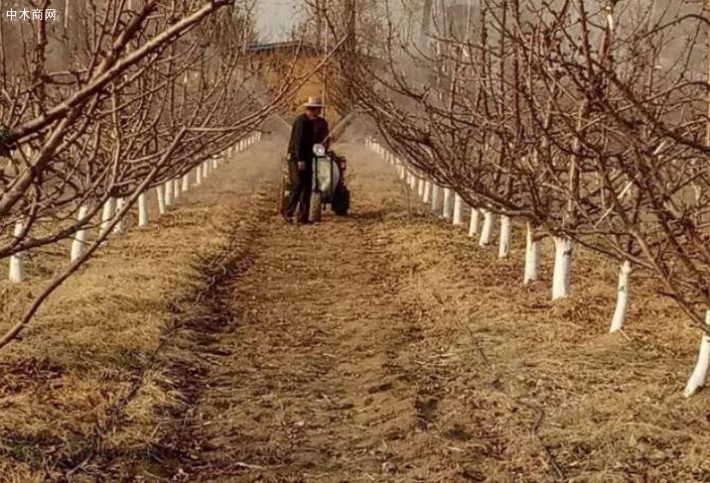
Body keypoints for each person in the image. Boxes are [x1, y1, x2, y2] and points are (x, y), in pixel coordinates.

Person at [282, 96, 324, 224]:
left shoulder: (310, 122)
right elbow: (298, 142)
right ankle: (287, 211)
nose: (319, 112)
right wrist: (300, 160)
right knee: (298, 184)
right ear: (312, 110)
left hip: (307, 158)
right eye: (318, 110)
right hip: (296, 160)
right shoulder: (302, 122)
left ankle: (303, 216)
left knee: (307, 187)